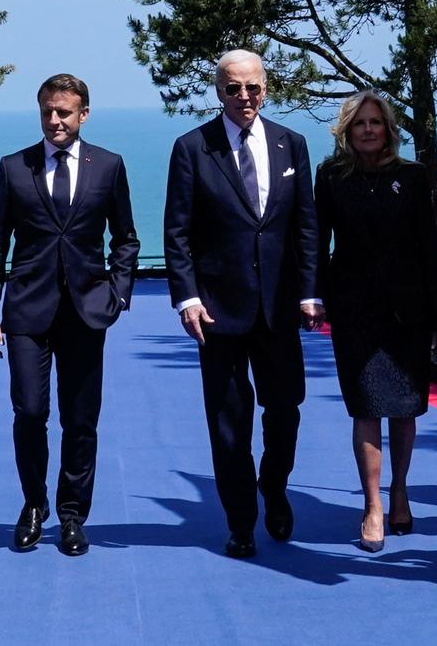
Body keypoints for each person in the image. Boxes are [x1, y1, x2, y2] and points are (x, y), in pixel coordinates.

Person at [163, 48, 322, 559]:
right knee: (229, 423)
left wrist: (311, 289)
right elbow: (177, 232)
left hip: (280, 309)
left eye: (252, 86)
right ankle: (241, 520)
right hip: (218, 312)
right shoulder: (192, 148)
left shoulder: (291, 144)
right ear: (218, 91)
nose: (244, 96)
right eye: (233, 87)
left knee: (285, 410)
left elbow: (306, 225)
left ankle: (274, 487)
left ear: (266, 86)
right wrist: (186, 297)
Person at [0, 74, 140, 558]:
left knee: (81, 419)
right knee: (29, 411)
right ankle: (33, 506)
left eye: (64, 112)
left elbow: (126, 238)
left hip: (88, 311)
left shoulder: (108, 166)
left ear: (83, 114)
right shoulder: (13, 167)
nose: (55, 120)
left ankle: (72, 516)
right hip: (26, 310)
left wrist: (119, 293)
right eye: (47, 111)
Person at [316, 90, 437, 552]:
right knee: (366, 406)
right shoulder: (330, 176)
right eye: (360, 124)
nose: (369, 130)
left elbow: (429, 249)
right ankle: (372, 504)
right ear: (347, 131)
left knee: (404, 407)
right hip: (354, 308)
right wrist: (312, 296)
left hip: (408, 311)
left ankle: (400, 489)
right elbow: (318, 241)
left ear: (389, 129)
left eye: (376, 122)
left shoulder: (412, 176)